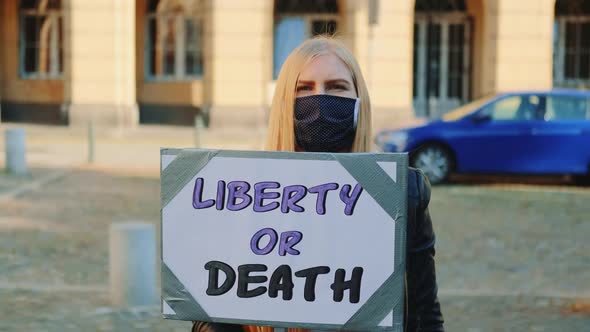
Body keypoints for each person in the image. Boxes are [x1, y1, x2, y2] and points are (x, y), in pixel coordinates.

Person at [193, 36, 444, 332]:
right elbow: (213, 310)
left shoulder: (403, 192)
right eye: (304, 89)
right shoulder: (243, 194)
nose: (321, 100)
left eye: (337, 87)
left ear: (359, 99)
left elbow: (424, 312)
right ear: (286, 101)